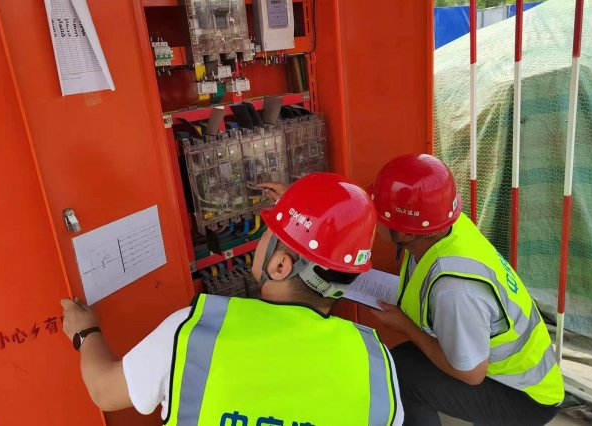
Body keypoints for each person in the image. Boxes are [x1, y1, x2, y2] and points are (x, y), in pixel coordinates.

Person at [61, 173, 404, 426]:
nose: (261, 239)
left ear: (280, 265)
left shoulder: (192, 332)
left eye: (268, 233)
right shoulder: (376, 361)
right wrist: (298, 211)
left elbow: (104, 390)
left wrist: (85, 331)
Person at [367, 153, 564, 426]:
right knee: (402, 359)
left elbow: (471, 374)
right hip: (517, 375)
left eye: (378, 215)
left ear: (407, 234)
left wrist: (404, 325)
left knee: (401, 374)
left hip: (524, 397)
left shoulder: (455, 290)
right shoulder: (447, 226)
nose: (373, 220)